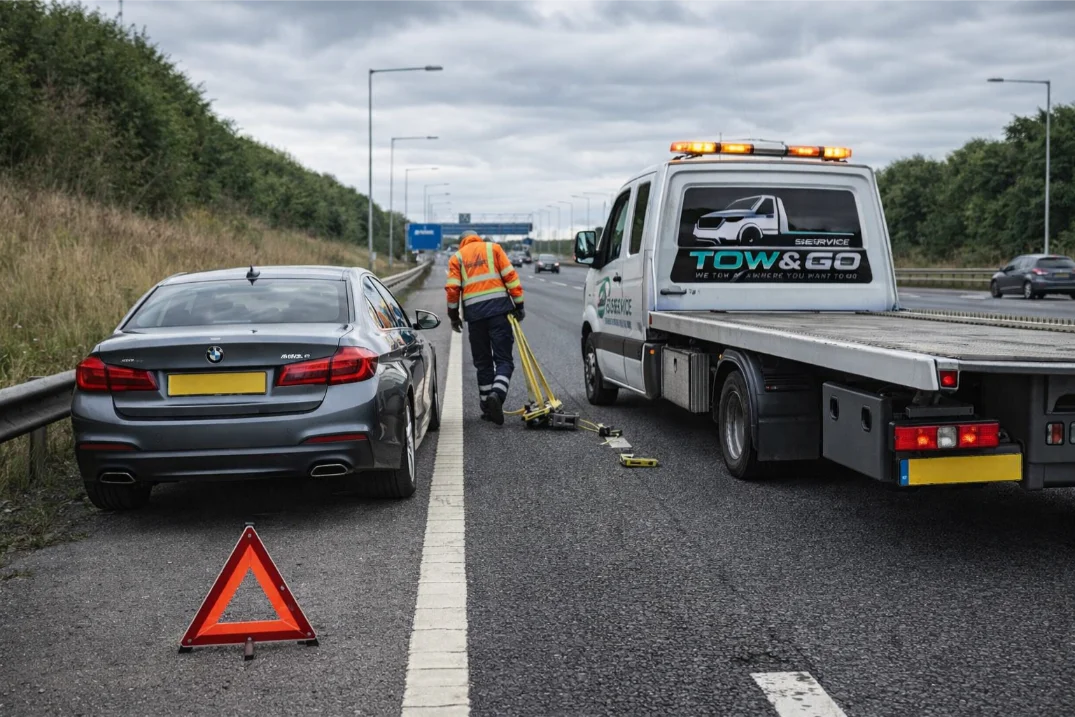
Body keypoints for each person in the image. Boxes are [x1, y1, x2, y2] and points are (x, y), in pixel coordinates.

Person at [445, 230, 525, 425]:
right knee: (504, 360)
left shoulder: (458, 257)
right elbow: (511, 278)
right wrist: (519, 304)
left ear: (461, 242)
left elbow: (453, 290)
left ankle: (487, 409)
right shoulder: (493, 249)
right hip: (499, 313)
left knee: (483, 362)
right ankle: (497, 395)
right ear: (478, 238)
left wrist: (453, 316)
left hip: (475, 317)